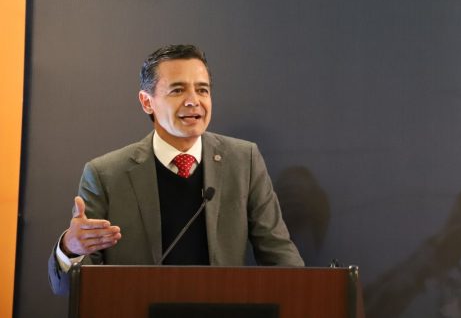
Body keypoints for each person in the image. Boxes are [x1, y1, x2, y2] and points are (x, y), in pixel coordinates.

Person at [48, 44, 303, 295]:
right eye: (178, 90)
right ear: (147, 102)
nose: (193, 101)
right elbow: (72, 289)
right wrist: (70, 249)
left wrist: (304, 295)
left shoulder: (243, 160)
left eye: (202, 90)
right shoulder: (106, 175)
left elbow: (280, 255)